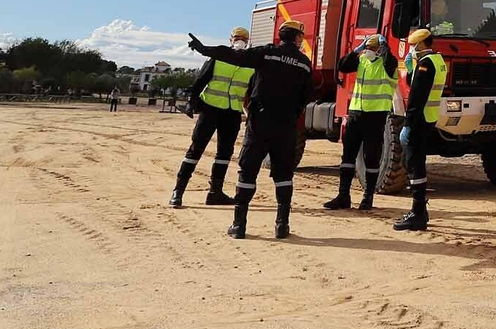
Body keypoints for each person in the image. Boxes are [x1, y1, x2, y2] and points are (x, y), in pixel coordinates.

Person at [189, 20, 312, 240]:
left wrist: (202, 49)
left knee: (248, 171)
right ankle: (282, 226)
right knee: (284, 174)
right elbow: (306, 96)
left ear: (280, 36)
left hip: (260, 123)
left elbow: (232, 56)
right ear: (297, 38)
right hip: (285, 125)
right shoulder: (304, 63)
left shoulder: (266, 53)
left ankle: (239, 226)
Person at [169, 28, 254, 208]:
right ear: (230, 39)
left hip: (232, 113)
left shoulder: (250, 64)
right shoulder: (218, 57)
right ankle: (178, 192)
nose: (240, 41)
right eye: (237, 38)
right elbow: (199, 82)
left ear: (248, 41)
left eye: (243, 39)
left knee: (224, 153)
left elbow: (252, 91)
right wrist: (191, 103)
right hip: (210, 110)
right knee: (196, 149)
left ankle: (215, 192)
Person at [322, 33, 398, 211]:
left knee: (371, 157)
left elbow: (390, 61)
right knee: (347, 157)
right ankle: (343, 196)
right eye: (367, 48)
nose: (368, 51)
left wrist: (385, 47)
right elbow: (343, 66)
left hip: (375, 116)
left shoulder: (388, 65)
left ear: (380, 49)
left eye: (372, 48)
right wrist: (356, 51)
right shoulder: (362, 60)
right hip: (356, 114)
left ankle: (368, 197)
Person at [394, 27, 447, 232]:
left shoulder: (425, 64)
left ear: (422, 44)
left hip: (419, 119)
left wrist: (407, 124)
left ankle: (417, 213)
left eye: (414, 45)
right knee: (416, 162)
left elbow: (417, 97)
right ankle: (419, 211)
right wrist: (410, 70)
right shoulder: (437, 61)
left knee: (414, 164)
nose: (412, 50)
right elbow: (417, 84)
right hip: (429, 118)